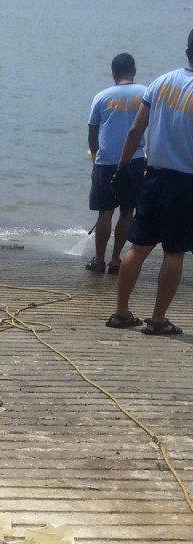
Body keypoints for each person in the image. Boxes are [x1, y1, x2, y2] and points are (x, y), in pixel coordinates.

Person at [106, 29, 193, 335]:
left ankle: (121, 313)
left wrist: (123, 168)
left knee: (139, 246)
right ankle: (157, 319)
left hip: (152, 177)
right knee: (174, 253)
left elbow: (134, 130)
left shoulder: (161, 82)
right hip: (185, 184)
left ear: (187, 50)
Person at [86, 53, 146, 275]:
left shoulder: (101, 97)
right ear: (134, 71)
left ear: (113, 74)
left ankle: (99, 260)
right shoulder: (146, 93)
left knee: (105, 212)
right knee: (127, 211)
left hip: (106, 162)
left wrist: (95, 158)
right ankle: (115, 260)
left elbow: (92, 132)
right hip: (134, 160)